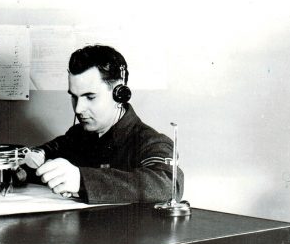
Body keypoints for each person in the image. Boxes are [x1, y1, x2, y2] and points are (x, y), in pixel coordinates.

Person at [21, 44, 183, 204]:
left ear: (119, 94)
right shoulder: (78, 135)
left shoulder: (151, 142)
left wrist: (81, 180)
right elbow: (49, 151)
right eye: (74, 97)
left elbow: (168, 185)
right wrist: (28, 161)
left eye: (90, 97)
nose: (78, 108)